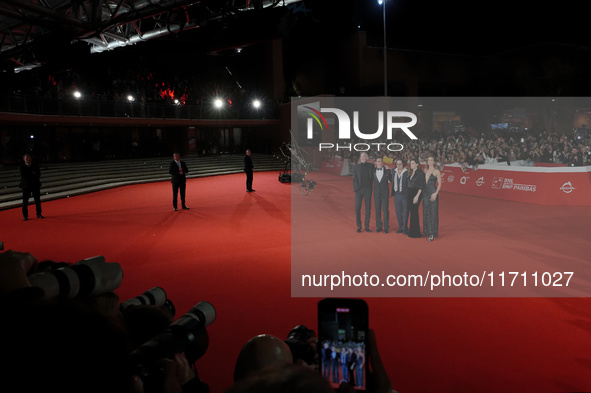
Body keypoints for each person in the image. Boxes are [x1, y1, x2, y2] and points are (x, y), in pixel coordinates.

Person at [353, 152, 374, 233]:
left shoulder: (371, 166)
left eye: (364, 156)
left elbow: (375, 174)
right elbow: (354, 178)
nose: (363, 158)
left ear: (367, 158)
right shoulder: (356, 167)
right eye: (361, 156)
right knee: (357, 207)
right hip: (359, 190)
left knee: (368, 208)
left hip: (368, 190)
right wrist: (356, 189)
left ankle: (367, 226)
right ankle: (359, 226)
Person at [19, 153, 44, 221]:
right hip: (26, 186)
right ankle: (25, 215)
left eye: (29, 157)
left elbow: (38, 174)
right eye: (27, 158)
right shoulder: (22, 166)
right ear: (24, 159)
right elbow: (24, 175)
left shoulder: (35, 165)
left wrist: (30, 173)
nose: (28, 159)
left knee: (37, 200)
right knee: (25, 201)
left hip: (35, 185)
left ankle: (39, 213)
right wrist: (32, 173)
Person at [423, 155, 442, 242]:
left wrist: (435, 193)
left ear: (434, 161)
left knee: (433, 213)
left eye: (431, 160)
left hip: (433, 193)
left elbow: (440, 184)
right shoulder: (425, 170)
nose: (430, 162)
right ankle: (427, 231)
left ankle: (432, 233)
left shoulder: (437, 171)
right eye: (428, 160)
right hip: (425, 193)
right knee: (426, 212)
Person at [407, 158, 424, 238]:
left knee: (414, 213)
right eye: (410, 164)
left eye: (413, 163)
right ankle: (413, 231)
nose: (411, 165)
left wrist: (417, 196)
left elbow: (421, 186)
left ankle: (415, 233)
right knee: (412, 213)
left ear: (417, 164)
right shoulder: (410, 172)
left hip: (416, 193)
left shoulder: (420, 173)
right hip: (409, 193)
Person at [372, 157, 391, 233]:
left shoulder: (387, 170)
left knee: (385, 210)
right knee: (377, 211)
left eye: (381, 161)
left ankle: (386, 227)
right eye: (378, 161)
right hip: (376, 194)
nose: (379, 163)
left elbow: (391, 179)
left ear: (382, 163)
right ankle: (379, 227)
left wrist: (389, 171)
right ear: (375, 163)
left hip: (385, 194)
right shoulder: (373, 171)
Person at [391, 159, 409, 234]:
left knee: (405, 212)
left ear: (403, 164)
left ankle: (405, 228)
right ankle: (400, 227)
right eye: (397, 164)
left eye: (400, 164)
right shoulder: (393, 171)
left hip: (405, 195)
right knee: (398, 212)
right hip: (396, 194)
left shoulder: (407, 172)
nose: (398, 165)